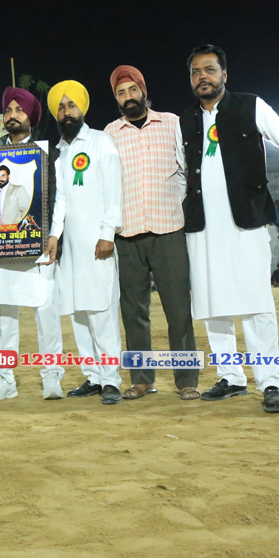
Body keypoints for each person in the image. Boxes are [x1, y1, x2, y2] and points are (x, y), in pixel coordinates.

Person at [177, 44, 279, 414]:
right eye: (196, 71)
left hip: (247, 221)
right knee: (212, 302)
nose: (202, 77)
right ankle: (230, 377)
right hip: (201, 226)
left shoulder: (252, 106)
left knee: (256, 302)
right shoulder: (184, 121)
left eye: (209, 70)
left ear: (224, 75)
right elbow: (180, 173)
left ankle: (270, 381)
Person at [104, 65, 200, 401]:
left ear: (144, 91)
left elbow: (186, 170)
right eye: (121, 93)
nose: (128, 97)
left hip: (168, 229)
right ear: (116, 99)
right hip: (127, 233)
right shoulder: (110, 133)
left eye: (133, 90)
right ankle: (141, 379)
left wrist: (174, 203)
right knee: (133, 313)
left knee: (179, 310)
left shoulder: (172, 123)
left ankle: (187, 380)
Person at [0, 87, 65, 401]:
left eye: (19, 110)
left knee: (46, 312)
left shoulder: (47, 154)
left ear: (31, 116)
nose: (12, 115)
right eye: (8, 110)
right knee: (1, 315)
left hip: (38, 245)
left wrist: (54, 234)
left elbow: (59, 198)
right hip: (0, 248)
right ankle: (4, 380)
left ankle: (52, 376)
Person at [43, 81, 124, 405]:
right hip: (71, 249)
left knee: (101, 310)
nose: (66, 112)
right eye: (61, 107)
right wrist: (54, 235)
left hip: (98, 243)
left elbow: (114, 190)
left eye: (71, 105)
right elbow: (60, 200)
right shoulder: (60, 152)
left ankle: (111, 379)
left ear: (82, 109)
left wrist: (108, 233)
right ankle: (93, 376)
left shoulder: (101, 141)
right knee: (77, 311)